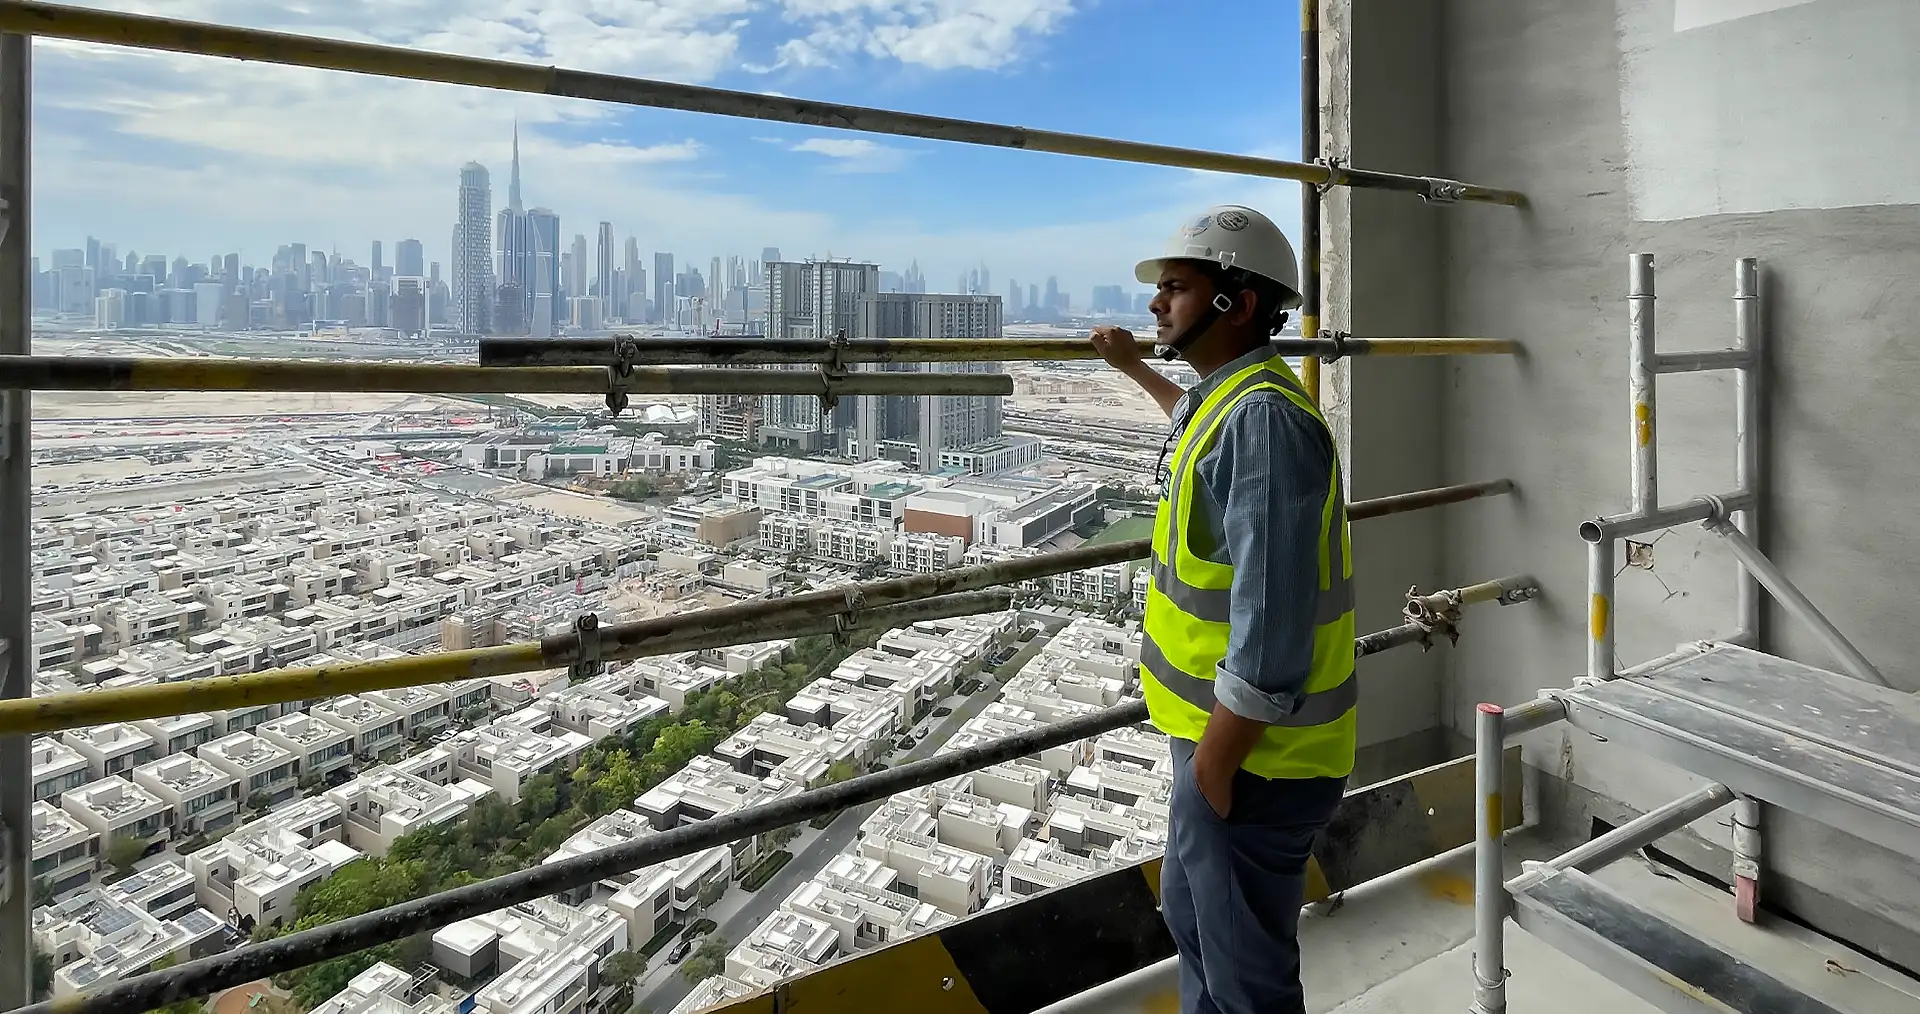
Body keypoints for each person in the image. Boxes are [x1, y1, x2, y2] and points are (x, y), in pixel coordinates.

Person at [1089, 204, 1355, 1014]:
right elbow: (1192, 416)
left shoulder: (1265, 423)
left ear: (1234, 303)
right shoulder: (1230, 399)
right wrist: (1136, 368)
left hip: (1253, 758)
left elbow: (1273, 635)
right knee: (1198, 926)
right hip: (1222, 744)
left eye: (1174, 288)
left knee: (1244, 973)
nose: (1154, 304)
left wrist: (1211, 770)